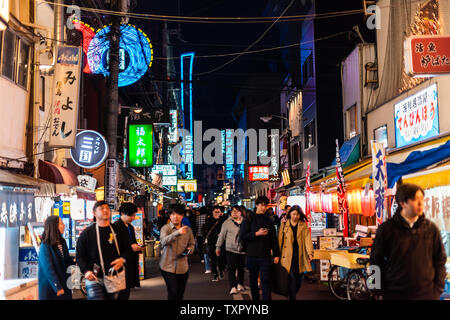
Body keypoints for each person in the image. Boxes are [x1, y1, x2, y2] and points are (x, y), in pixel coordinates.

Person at [370, 183, 447, 300]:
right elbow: (375, 261)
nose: (421, 203)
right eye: (415, 199)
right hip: (395, 294)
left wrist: (437, 290)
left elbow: (440, 261)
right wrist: (377, 291)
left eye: (422, 198)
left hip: (426, 294)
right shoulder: (386, 229)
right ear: (402, 203)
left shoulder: (431, 229)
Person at [76, 201, 131, 300]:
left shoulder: (118, 230)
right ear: (94, 213)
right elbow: (79, 255)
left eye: (107, 208)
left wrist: (122, 260)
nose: (105, 210)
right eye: (101, 208)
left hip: (115, 276)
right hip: (95, 278)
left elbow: (128, 249)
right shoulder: (87, 234)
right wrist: (86, 271)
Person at [240, 196, 280, 300]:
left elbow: (273, 239)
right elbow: (243, 236)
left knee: (266, 280)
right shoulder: (248, 219)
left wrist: (276, 254)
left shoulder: (269, 220)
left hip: (265, 255)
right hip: (251, 255)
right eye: (261, 205)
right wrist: (256, 234)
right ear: (257, 205)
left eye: (265, 205)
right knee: (253, 280)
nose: (263, 207)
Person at [159, 203, 195, 300]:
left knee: (180, 294)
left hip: (183, 267)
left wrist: (190, 250)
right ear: (169, 216)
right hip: (167, 266)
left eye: (178, 214)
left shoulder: (188, 230)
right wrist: (177, 233)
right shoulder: (165, 228)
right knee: (173, 292)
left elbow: (192, 244)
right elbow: (163, 242)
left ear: (182, 215)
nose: (175, 217)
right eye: (173, 214)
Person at [277, 206, 313, 300]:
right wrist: (277, 254)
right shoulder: (285, 224)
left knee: (299, 280)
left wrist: (310, 253)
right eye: (293, 214)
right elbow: (280, 239)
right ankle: (292, 297)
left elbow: (307, 239)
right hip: (287, 255)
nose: (295, 216)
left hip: (300, 255)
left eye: (297, 214)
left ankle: (290, 292)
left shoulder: (303, 225)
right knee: (292, 277)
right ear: (290, 214)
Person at [38, 216, 75, 300]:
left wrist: (76, 261)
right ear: (54, 226)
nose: (64, 225)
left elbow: (66, 260)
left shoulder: (62, 242)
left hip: (64, 285)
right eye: (61, 223)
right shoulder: (45, 245)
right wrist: (57, 286)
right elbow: (48, 268)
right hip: (51, 289)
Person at [113, 202, 143, 300]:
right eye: (132, 215)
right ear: (122, 213)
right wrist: (131, 247)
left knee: (126, 291)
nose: (133, 218)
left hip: (130, 262)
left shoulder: (130, 227)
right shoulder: (115, 227)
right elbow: (115, 246)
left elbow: (132, 242)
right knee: (121, 293)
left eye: (134, 215)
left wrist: (137, 247)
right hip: (121, 264)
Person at [216, 205, 246, 295]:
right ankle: (233, 286)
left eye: (236, 211)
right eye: (233, 211)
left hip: (243, 249)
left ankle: (240, 283)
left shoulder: (245, 222)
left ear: (241, 212)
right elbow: (222, 236)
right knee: (231, 269)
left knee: (241, 268)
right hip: (230, 249)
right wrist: (218, 247)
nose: (234, 213)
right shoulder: (227, 223)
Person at [203, 205, 226, 282]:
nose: (217, 213)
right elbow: (205, 229)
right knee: (213, 258)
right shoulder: (209, 220)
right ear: (212, 212)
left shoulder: (223, 219)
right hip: (212, 241)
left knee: (221, 257)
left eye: (218, 212)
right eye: (215, 212)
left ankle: (221, 269)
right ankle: (215, 274)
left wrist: (222, 233)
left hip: (221, 241)